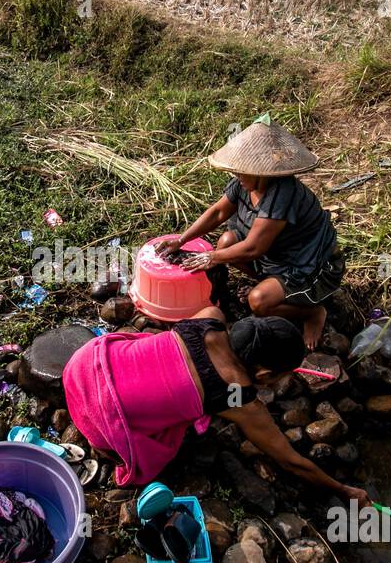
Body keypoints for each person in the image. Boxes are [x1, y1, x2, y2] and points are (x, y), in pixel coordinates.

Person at [62, 306, 367, 505]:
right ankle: (108, 445)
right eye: (279, 379)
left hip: (83, 365)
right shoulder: (238, 398)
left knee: (154, 352)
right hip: (101, 415)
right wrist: (344, 490)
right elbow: (290, 460)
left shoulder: (211, 317)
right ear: (263, 375)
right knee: (164, 448)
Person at [157, 116, 343, 349]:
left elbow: (254, 247)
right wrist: (181, 239)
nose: (237, 176)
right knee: (226, 242)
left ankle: (311, 312)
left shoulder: (282, 193)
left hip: (308, 265)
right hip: (276, 255)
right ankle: (271, 284)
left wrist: (211, 257)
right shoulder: (244, 184)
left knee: (258, 302)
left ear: (261, 172)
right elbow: (217, 213)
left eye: (241, 172)